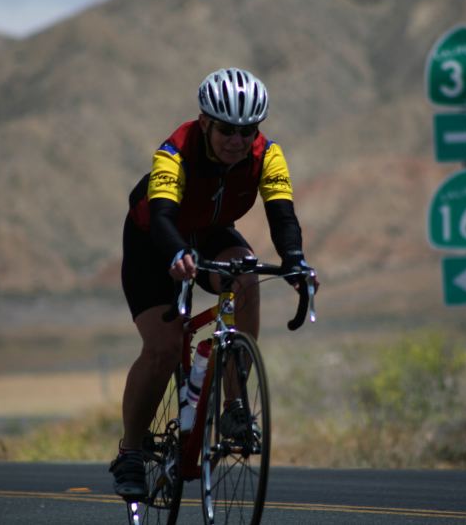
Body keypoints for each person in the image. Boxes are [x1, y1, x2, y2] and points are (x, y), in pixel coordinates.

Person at [110, 67, 314, 499]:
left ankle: (234, 405)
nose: (238, 140)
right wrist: (175, 254)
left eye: (247, 130)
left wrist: (295, 261)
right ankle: (130, 451)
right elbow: (164, 216)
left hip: (211, 232)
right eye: (226, 130)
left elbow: (283, 216)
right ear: (205, 122)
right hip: (154, 240)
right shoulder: (174, 152)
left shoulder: (267, 155)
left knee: (246, 270)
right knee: (163, 347)